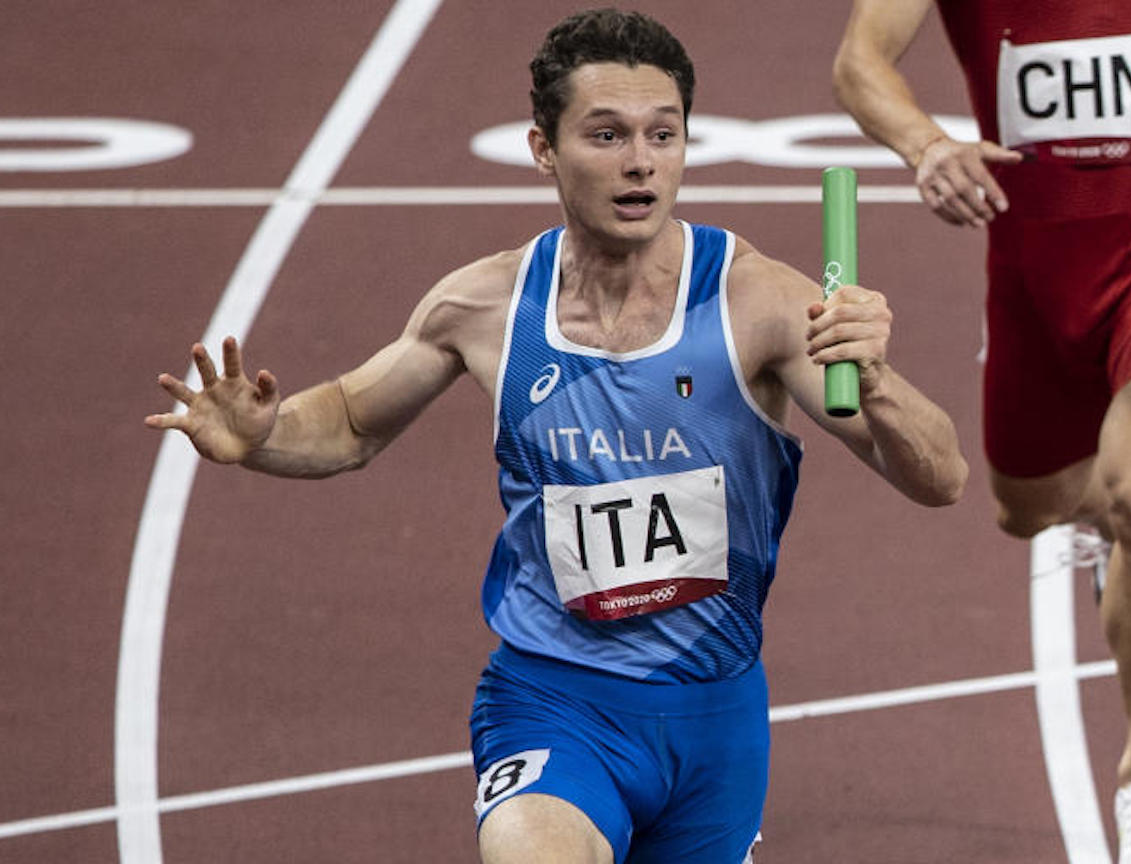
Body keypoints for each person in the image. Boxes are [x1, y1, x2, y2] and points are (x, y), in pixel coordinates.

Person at [146, 9, 967, 863]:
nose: (640, 162)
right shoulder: (486, 305)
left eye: (663, 134)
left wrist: (878, 382)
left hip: (715, 718)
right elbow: (352, 423)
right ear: (544, 148)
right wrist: (265, 434)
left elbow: (940, 476)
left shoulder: (756, 303)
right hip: (551, 699)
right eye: (606, 135)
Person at [833, 2, 1131, 861]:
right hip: (1037, 271)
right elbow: (860, 60)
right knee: (1027, 507)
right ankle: (1121, 507)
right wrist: (928, 146)